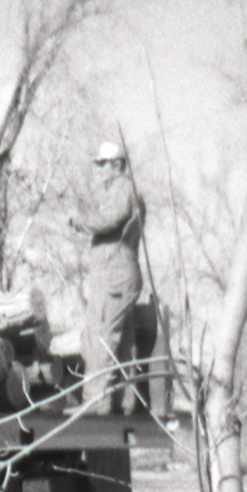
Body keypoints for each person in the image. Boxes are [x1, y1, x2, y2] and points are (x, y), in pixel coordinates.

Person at [69, 139, 145, 414]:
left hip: (115, 274)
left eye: (102, 164)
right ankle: (123, 402)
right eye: (97, 164)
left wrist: (79, 219)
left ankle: (95, 402)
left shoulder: (123, 188)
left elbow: (109, 220)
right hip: (116, 274)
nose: (98, 170)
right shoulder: (119, 190)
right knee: (120, 342)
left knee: (100, 337)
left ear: (117, 165)